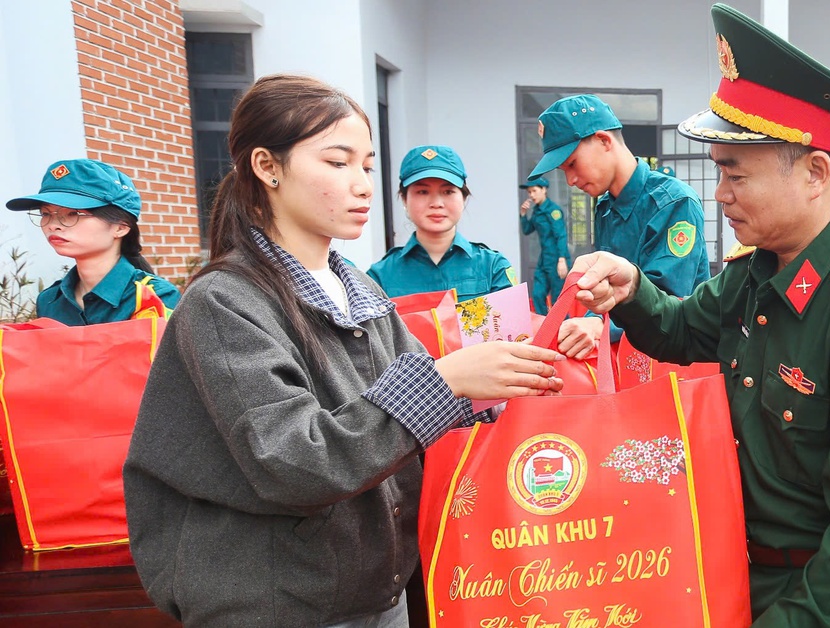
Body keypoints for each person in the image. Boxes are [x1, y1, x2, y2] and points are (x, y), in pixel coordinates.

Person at [122, 74, 564, 627]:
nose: (362, 185)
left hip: (377, 592)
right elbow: (294, 462)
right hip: (278, 604)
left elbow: (424, 413)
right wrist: (446, 381)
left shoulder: (360, 288)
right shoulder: (223, 302)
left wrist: (515, 376)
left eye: (367, 166)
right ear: (267, 166)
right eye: (337, 162)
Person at [567, 5, 830, 626]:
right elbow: (684, 329)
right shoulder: (759, 267)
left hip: (815, 601)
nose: (719, 195)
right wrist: (633, 289)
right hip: (736, 569)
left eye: (734, 174)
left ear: (815, 173)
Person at [527, 93, 710, 355]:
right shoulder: (605, 208)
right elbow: (607, 291)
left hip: (672, 360)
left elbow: (669, 301)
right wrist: (591, 320)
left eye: (573, 164)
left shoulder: (673, 202)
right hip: (623, 354)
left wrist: (600, 325)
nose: (570, 180)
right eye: (564, 171)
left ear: (603, 140)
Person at [5, 158, 179, 325]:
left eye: (73, 213)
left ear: (121, 227)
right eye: (46, 214)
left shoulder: (156, 297)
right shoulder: (49, 300)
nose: (53, 225)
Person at [368, 145, 516, 301]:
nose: (437, 203)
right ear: (405, 199)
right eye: (423, 192)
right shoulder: (379, 277)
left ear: (464, 198)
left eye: (448, 192)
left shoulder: (493, 268)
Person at [518, 176, 569, 314]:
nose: (531, 195)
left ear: (544, 189)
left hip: (557, 259)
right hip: (544, 259)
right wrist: (523, 215)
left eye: (534, 191)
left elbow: (561, 235)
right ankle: (544, 324)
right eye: (529, 192)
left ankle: (563, 326)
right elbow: (527, 230)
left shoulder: (553, 211)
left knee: (558, 301)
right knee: (537, 295)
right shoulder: (536, 211)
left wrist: (562, 260)